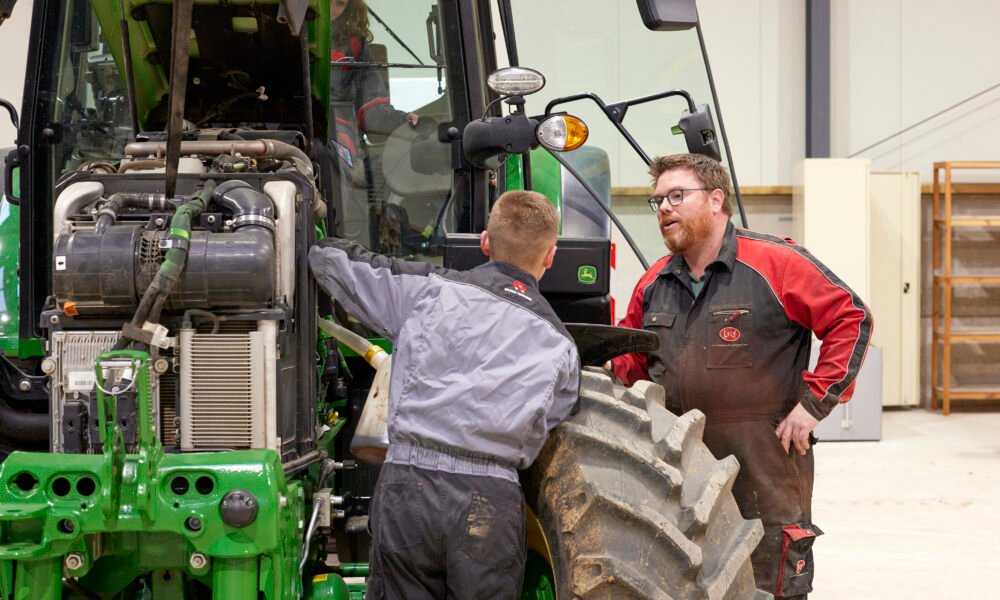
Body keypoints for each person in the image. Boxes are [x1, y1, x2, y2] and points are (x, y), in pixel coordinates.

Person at [610, 153, 873, 599]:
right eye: (658, 201)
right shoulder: (654, 282)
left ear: (716, 200)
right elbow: (629, 363)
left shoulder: (775, 263)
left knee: (771, 579)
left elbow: (852, 319)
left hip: (764, 462)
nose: (665, 208)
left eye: (677, 195)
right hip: (679, 464)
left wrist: (812, 406)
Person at [309, 190, 581, 599]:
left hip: (409, 488)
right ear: (550, 256)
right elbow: (558, 413)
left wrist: (308, 215)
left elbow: (332, 263)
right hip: (491, 502)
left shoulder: (428, 291)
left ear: (485, 242)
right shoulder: (561, 346)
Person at [330, 0, 417, 137]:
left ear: (349, 6)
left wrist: (401, 120)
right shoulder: (288, 34)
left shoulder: (355, 46)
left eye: (340, 3)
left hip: (339, 139)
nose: (331, 8)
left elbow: (370, 109)